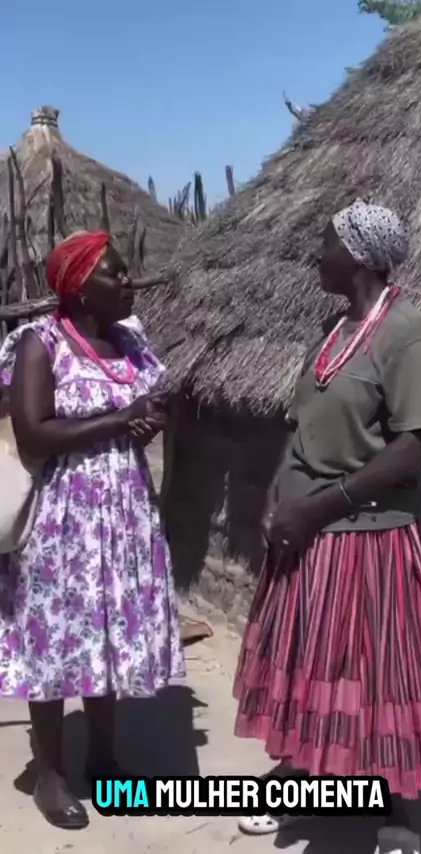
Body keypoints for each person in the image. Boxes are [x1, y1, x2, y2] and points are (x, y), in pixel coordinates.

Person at [233, 200, 421, 849]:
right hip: (308, 536)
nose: (317, 253)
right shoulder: (335, 330)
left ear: (358, 257)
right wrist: (279, 493)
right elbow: (303, 424)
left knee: (378, 674)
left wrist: (316, 507)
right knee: (311, 666)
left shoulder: (407, 335)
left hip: (369, 539)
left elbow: (411, 448)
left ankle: (397, 812)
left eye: (327, 242)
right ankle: (301, 781)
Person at [0, 231, 184, 829]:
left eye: (125, 271)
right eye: (114, 273)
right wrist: (120, 419)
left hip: (125, 511)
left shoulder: (130, 342)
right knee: (54, 638)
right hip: (62, 518)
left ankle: (104, 761)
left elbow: (153, 403)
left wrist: (149, 419)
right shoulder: (41, 342)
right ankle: (50, 773)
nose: (127, 280)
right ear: (80, 287)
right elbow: (34, 430)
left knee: (109, 633)